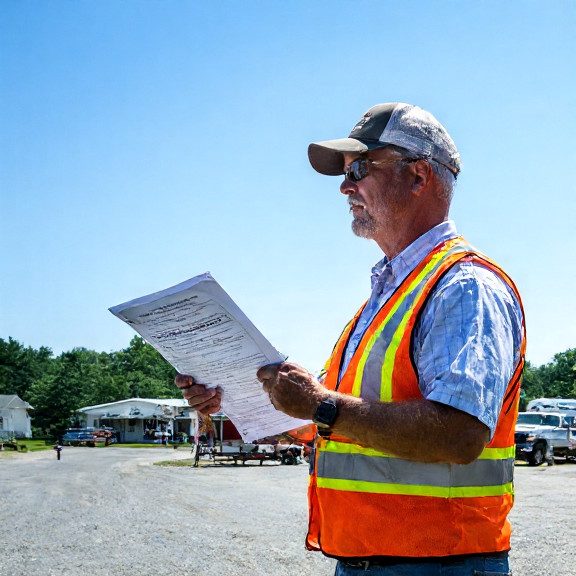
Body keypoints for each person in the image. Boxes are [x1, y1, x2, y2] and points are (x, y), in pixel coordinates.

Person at [176, 102, 526, 576]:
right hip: (374, 562)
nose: (345, 187)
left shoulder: (463, 287)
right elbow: (331, 423)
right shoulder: (391, 296)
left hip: (442, 564)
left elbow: (461, 434)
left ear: (419, 176)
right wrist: (235, 403)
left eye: (359, 168)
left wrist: (322, 404)